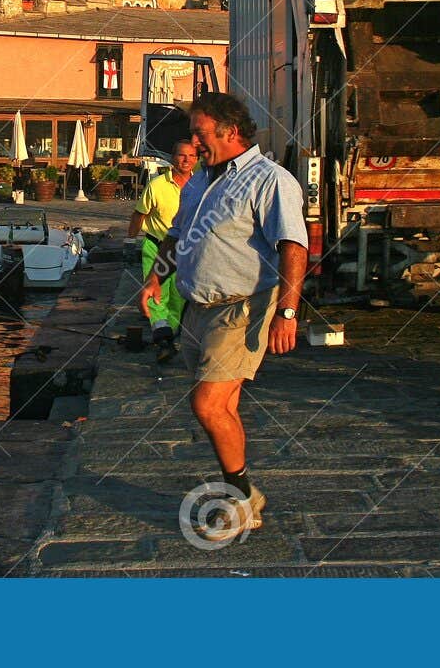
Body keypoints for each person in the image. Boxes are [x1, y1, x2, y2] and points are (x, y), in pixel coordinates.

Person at [141, 91, 308, 544]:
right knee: (224, 405)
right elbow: (176, 236)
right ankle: (244, 491)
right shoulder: (199, 180)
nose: (193, 142)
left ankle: (240, 499)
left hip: (242, 307)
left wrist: (287, 313)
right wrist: (156, 279)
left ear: (230, 132)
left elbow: (294, 247)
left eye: (200, 132)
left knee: (207, 405)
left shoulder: (269, 181)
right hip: (198, 309)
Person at [130, 138, 199, 362]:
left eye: (191, 155)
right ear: (172, 158)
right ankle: (163, 339)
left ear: (196, 159)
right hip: (156, 245)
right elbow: (139, 214)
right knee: (156, 293)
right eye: (181, 155)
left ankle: (168, 334)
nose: (186, 160)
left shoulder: (200, 187)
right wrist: (130, 239)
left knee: (178, 297)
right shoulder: (157, 185)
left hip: (185, 250)